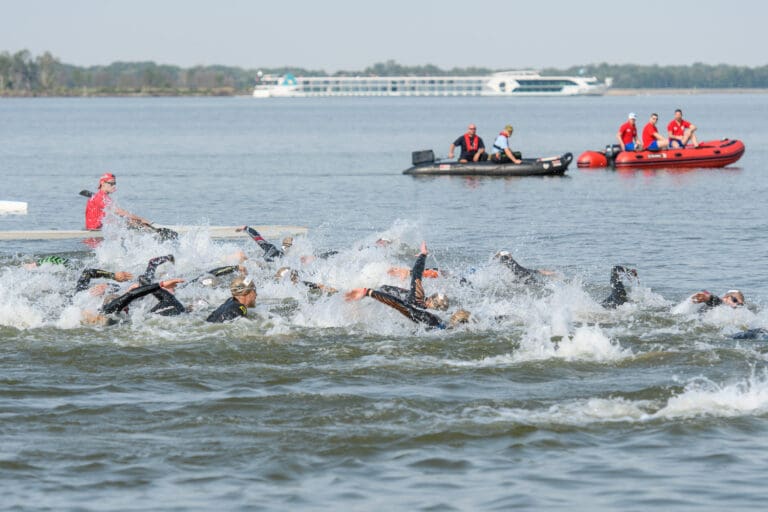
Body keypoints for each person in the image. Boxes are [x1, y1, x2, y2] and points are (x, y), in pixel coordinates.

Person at [379, 241, 449, 310]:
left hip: (382, 294)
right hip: (396, 301)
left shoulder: (418, 297)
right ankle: (404, 272)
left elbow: (416, 272)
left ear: (430, 300)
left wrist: (423, 254)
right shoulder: (423, 309)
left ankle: (404, 272)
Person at [84, 173, 151, 230]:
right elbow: (119, 212)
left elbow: (119, 213)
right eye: (111, 183)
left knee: (128, 221)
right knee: (128, 221)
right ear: (103, 183)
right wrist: (141, 219)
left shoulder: (103, 197)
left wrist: (134, 220)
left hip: (100, 228)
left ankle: (144, 227)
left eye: (114, 183)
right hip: (94, 232)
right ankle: (147, 229)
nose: (114, 186)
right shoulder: (100, 197)